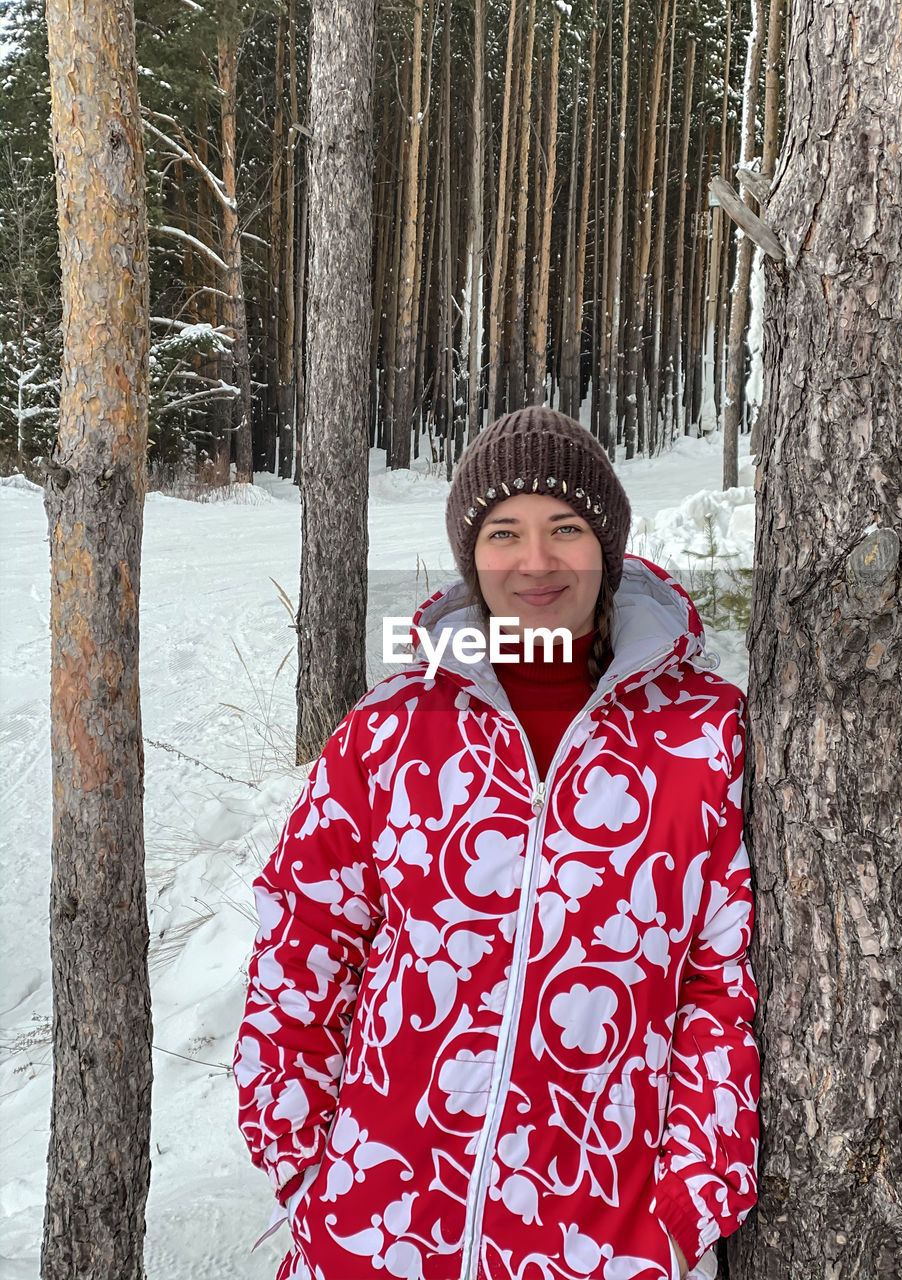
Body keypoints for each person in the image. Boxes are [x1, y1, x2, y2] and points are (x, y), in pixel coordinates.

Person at [234, 407, 759, 1280]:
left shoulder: (702, 736)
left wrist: (690, 1201)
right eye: (504, 532)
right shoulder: (389, 731)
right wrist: (301, 1163)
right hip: (376, 1222)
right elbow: (304, 940)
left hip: (606, 1231)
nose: (538, 562)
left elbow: (720, 978)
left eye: (567, 529)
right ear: (472, 556)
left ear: (609, 547)